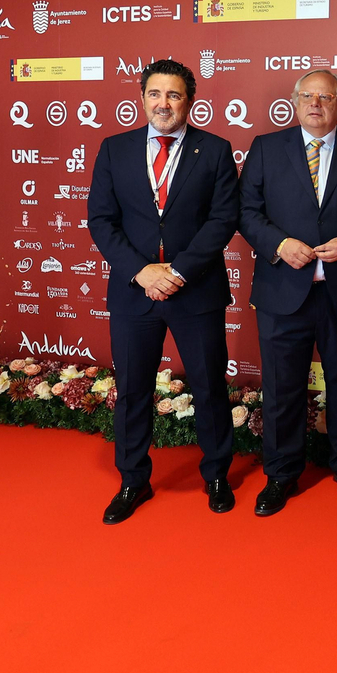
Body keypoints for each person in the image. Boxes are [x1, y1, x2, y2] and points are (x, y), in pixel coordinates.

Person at [86, 59, 241, 524]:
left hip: (195, 292)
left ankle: (216, 476)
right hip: (135, 293)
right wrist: (142, 272)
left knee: (210, 386)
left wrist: (176, 272)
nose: (163, 104)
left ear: (189, 102)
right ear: (142, 97)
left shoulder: (214, 150)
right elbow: (101, 220)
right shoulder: (114, 149)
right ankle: (133, 480)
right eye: (155, 94)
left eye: (174, 95)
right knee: (133, 391)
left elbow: (223, 220)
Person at [239, 69, 337, 516]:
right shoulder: (266, 148)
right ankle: (281, 473)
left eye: (326, 97)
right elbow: (246, 211)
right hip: (283, 290)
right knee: (282, 387)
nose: (316, 104)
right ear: (295, 101)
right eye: (308, 96)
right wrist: (279, 244)